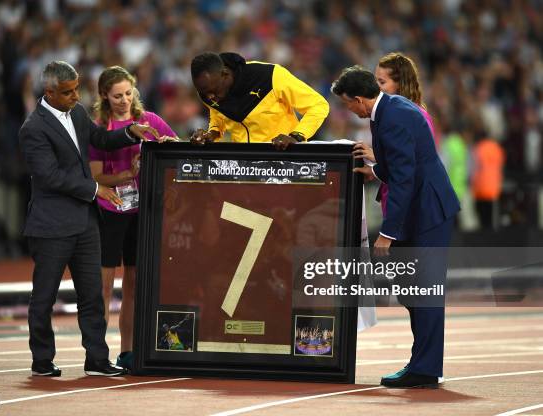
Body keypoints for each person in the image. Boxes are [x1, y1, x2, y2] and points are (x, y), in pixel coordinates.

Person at [19, 61, 158, 377]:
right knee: (44, 297)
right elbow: (50, 177)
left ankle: (96, 358)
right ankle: (42, 359)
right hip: (51, 225)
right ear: (49, 91)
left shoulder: (78, 113)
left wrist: (129, 132)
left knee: (93, 296)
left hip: (84, 223)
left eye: (76, 90)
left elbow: (101, 139)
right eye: (67, 92)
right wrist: (96, 189)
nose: (75, 96)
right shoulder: (33, 129)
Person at [331, 66, 460, 388]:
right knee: (410, 289)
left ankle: (426, 369)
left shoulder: (393, 116)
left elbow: (406, 180)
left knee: (423, 292)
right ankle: (422, 363)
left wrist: (388, 234)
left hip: (428, 213)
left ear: (360, 99)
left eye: (348, 104)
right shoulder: (389, 109)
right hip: (420, 210)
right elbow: (404, 166)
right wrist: (377, 170)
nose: (349, 110)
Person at [89, 66, 178, 373]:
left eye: (128, 93)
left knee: (135, 284)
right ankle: (97, 353)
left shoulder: (149, 120)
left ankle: (127, 351)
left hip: (141, 212)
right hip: (110, 209)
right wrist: (128, 173)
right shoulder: (100, 126)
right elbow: (96, 175)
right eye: (117, 96)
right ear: (104, 95)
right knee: (103, 286)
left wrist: (163, 151)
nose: (124, 100)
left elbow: (177, 148)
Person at [352, 52, 436, 217]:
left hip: (411, 206)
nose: (375, 87)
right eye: (374, 81)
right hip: (396, 200)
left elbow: (414, 164)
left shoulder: (414, 116)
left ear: (401, 84)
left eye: (382, 82)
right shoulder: (388, 114)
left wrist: (376, 158)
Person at [188, 52, 329, 150]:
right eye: (204, 93)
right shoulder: (208, 91)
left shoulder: (270, 76)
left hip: (284, 158)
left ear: (225, 74)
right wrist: (212, 133)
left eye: (213, 91)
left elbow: (318, 105)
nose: (210, 97)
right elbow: (218, 115)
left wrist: (297, 136)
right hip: (243, 166)